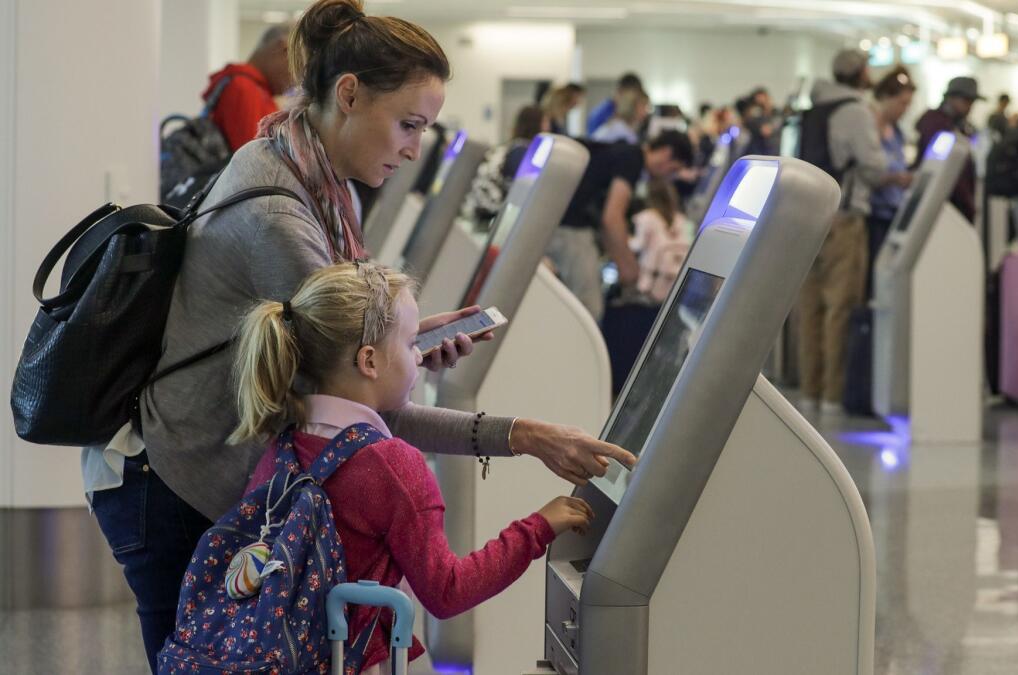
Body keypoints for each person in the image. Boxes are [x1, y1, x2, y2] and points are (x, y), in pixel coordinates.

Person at [87, 2, 635, 669]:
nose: (413, 148)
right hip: (175, 480)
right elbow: (374, 409)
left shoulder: (307, 174)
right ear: (348, 94)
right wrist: (524, 435)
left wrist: (402, 336)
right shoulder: (280, 216)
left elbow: (350, 359)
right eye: (407, 125)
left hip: (215, 469)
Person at [230, 262, 595, 673]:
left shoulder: (284, 442)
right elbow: (447, 591)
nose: (420, 355)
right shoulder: (391, 465)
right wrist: (539, 527)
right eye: (409, 344)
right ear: (368, 361)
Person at [798, 49, 910, 413]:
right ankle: (833, 395)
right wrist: (899, 175)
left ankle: (810, 391)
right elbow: (873, 167)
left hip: (808, 217)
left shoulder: (814, 109)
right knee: (840, 308)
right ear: (861, 72)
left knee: (811, 307)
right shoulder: (855, 111)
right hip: (844, 218)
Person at [547, 131, 694, 319]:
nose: (668, 178)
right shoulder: (632, 159)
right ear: (666, 153)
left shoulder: (622, 151)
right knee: (588, 310)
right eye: (673, 169)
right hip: (569, 228)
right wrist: (628, 267)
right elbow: (612, 218)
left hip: (559, 224)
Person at [204, 23, 295, 153]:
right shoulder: (244, 88)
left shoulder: (250, 87)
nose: (296, 80)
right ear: (284, 49)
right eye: (299, 65)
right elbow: (256, 160)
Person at [868, 67, 917, 293]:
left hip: (893, 213)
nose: (905, 110)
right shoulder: (870, 127)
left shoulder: (896, 132)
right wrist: (895, 178)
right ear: (886, 97)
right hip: (873, 216)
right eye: (902, 103)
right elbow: (870, 171)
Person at [461, 104, 548, 224]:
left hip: (485, 209)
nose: (547, 126)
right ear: (536, 124)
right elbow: (522, 187)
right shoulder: (522, 152)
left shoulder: (513, 146)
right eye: (545, 121)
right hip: (493, 212)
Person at [914, 76, 984, 223]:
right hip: (942, 205)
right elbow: (942, 168)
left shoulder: (959, 126)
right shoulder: (936, 124)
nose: (970, 107)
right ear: (951, 98)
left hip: (955, 204)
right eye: (966, 101)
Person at [630, 177, 692, 303]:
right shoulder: (682, 220)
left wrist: (625, 240)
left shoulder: (647, 217)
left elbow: (638, 245)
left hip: (649, 281)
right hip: (675, 282)